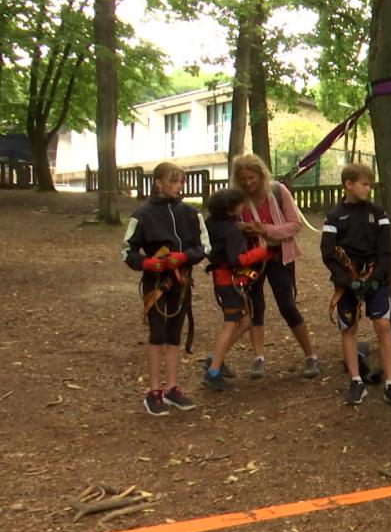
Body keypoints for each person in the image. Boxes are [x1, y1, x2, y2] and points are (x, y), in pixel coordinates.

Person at [121, 162, 210, 416]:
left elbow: (205, 247)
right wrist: (147, 263)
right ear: (158, 183)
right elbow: (127, 251)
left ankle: (171, 388)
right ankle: (153, 391)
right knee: (157, 334)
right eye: (173, 181)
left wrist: (184, 257)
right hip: (156, 282)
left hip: (181, 281)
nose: (178, 186)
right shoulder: (143, 215)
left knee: (174, 334)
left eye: (181, 181)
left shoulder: (191, 214)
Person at [321, 162, 391, 410]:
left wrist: (375, 279)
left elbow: (385, 250)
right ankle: (355, 381)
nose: (368, 189)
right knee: (349, 328)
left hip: (375, 278)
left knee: (383, 325)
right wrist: (346, 280)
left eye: (370, 185)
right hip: (347, 280)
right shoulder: (334, 216)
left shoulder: (378, 214)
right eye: (364, 184)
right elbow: (328, 252)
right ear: (348, 185)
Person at [231, 154, 320, 379]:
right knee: (255, 306)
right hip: (251, 258)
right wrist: (243, 228)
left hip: (279, 255)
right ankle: (258, 358)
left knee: (287, 305)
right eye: (243, 179)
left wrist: (266, 230)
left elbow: (295, 224)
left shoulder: (278, 191)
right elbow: (229, 225)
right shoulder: (236, 198)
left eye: (252, 178)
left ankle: (310, 355)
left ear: (260, 175)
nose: (248, 183)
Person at [201, 188, 272, 392]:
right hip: (228, 281)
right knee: (231, 324)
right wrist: (261, 252)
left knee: (246, 321)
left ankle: (216, 358)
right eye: (241, 205)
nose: (244, 207)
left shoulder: (211, 223)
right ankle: (213, 372)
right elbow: (236, 260)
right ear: (231, 210)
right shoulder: (231, 230)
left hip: (222, 279)